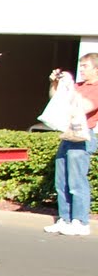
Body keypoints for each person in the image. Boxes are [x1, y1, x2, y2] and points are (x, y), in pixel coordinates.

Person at [46, 55, 97, 236]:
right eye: (80, 66)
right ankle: (64, 219)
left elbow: (84, 107)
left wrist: (69, 88)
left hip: (83, 137)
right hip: (67, 135)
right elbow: (56, 100)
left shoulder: (95, 88)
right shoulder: (78, 87)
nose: (81, 69)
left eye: (85, 66)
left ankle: (80, 221)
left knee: (77, 181)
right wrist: (56, 85)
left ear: (96, 69)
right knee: (62, 181)